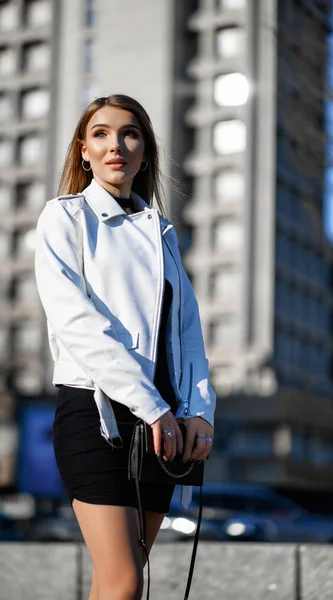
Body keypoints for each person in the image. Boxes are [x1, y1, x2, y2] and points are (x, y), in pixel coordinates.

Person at [34, 94, 216, 600]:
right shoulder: (64, 218)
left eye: (130, 133)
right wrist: (153, 407)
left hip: (165, 427)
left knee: (119, 581)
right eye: (101, 133)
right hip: (99, 415)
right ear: (84, 150)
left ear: (145, 151)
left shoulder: (163, 235)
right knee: (124, 581)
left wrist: (199, 409)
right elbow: (76, 322)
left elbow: (187, 334)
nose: (117, 144)